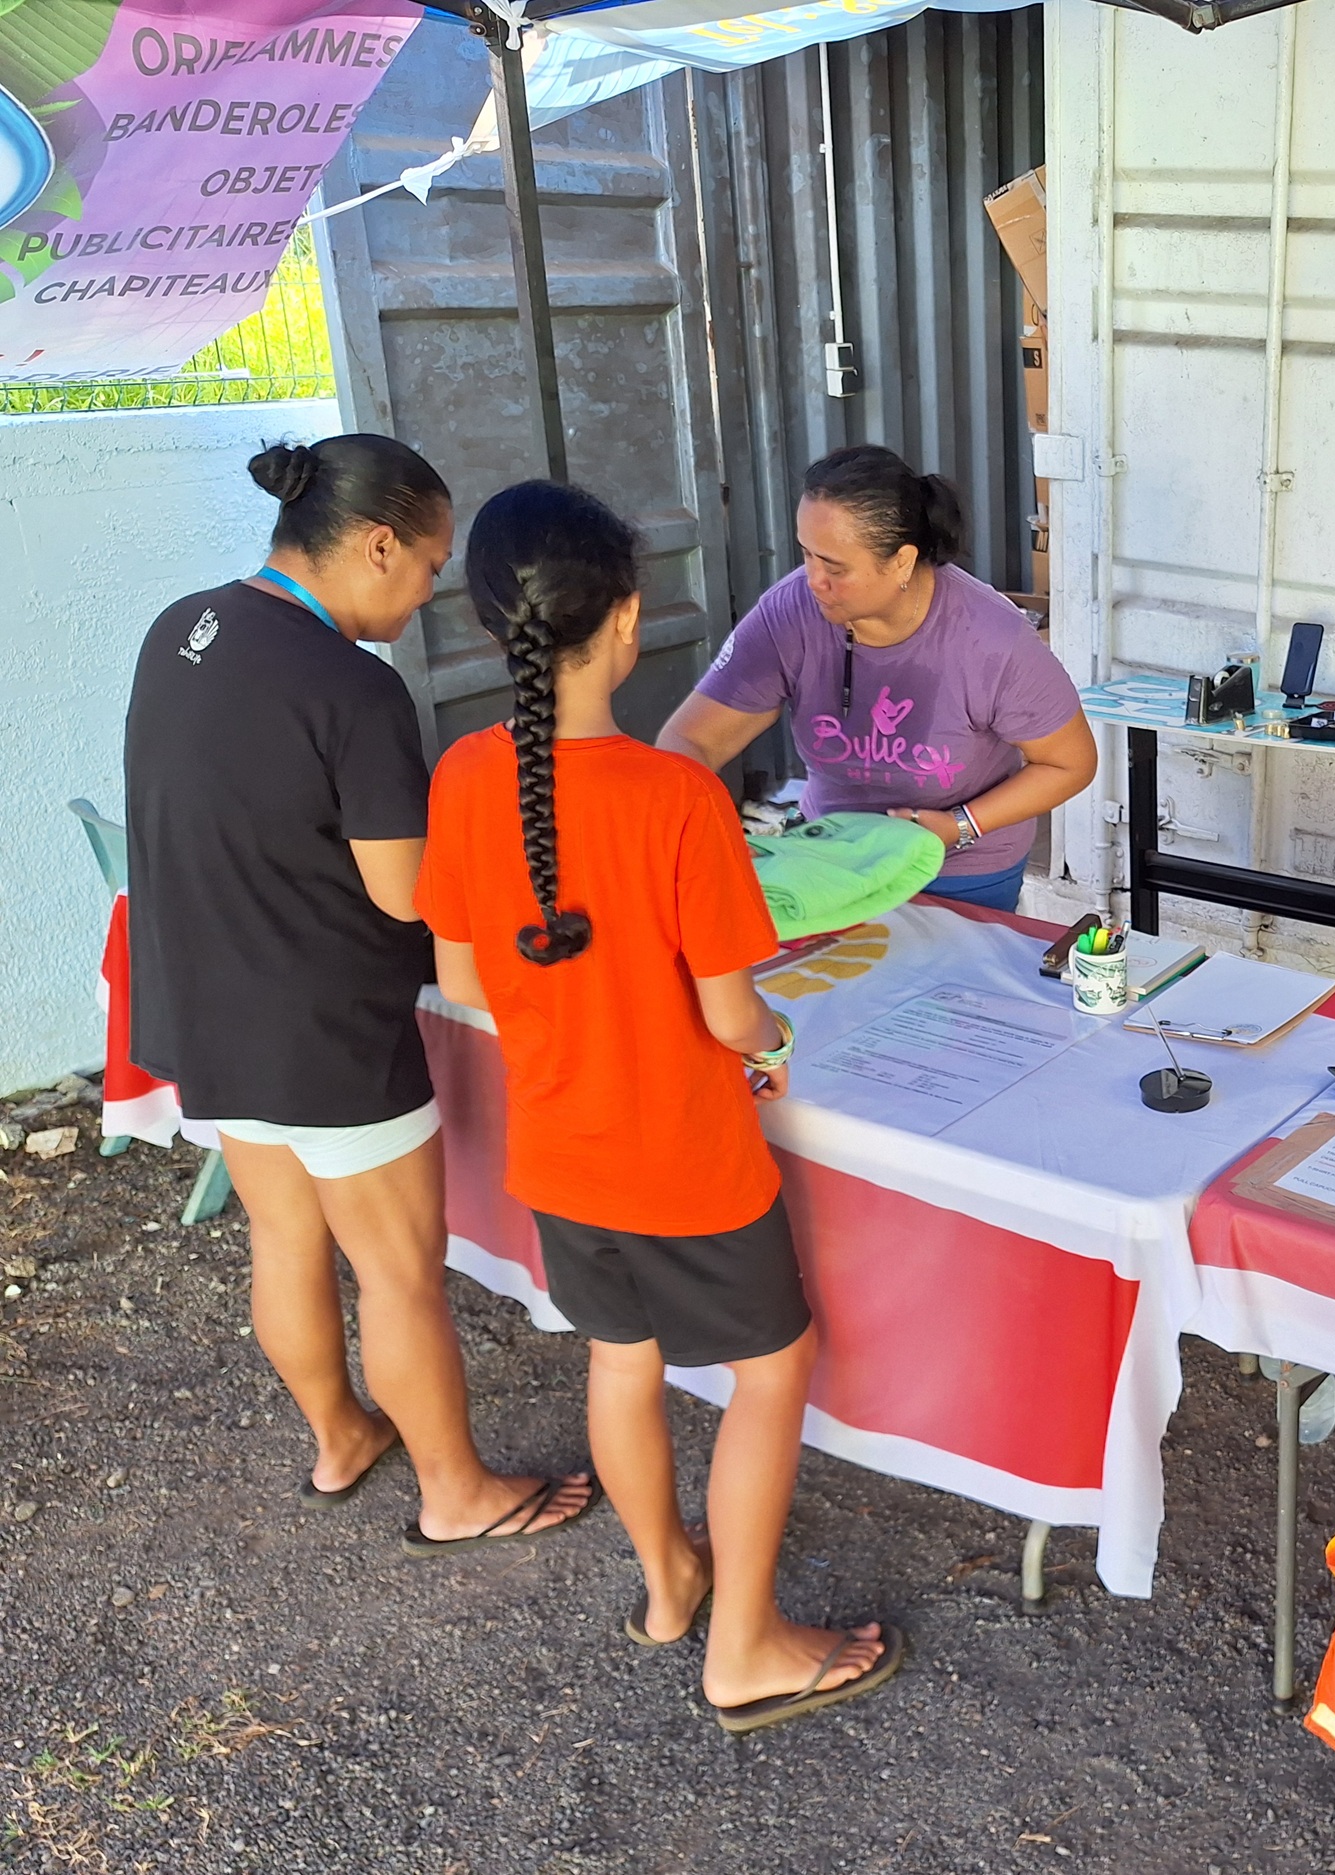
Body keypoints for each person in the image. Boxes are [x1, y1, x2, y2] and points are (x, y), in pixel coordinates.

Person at [417, 479, 900, 1733]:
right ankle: (744, 1646)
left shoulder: (466, 775)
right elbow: (735, 1016)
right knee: (773, 1369)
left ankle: (672, 1587)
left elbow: (465, 977)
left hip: (561, 1153)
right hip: (685, 1158)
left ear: (486, 626)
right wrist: (774, 1035)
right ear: (627, 621)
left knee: (619, 1361)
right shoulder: (674, 798)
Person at [123, 436, 597, 1554]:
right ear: (377, 541)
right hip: (324, 1027)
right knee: (396, 1275)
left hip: (204, 1003)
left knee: (282, 1240)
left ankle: (341, 1435)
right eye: (428, 561)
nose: (430, 587)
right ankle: (456, 1491)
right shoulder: (354, 686)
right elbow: (401, 896)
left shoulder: (185, 625)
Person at [655, 445, 1093, 913]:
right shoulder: (790, 614)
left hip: (958, 870)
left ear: (902, 561)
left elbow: (1070, 763)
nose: (812, 580)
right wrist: (705, 840)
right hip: (829, 860)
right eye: (807, 555)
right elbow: (690, 740)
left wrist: (960, 825)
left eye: (835, 567)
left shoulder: (992, 639)